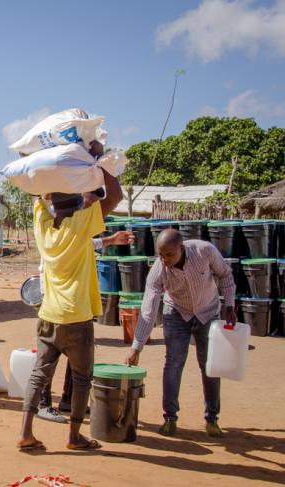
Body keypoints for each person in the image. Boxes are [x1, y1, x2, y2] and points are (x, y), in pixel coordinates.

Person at [18, 139, 122, 452]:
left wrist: (41, 162)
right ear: (77, 205)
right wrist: (99, 159)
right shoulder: (81, 226)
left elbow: (39, 193)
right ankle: (75, 436)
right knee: (81, 378)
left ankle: (25, 432)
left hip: (48, 314)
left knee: (39, 375)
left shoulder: (43, 227)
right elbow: (114, 195)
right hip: (76, 318)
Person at [125, 229, 235, 438]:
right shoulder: (158, 271)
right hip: (176, 312)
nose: (164, 259)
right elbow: (148, 311)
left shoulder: (204, 251)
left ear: (181, 248)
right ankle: (170, 417)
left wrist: (229, 305)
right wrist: (136, 346)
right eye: (160, 255)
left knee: (209, 365)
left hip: (208, 312)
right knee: (174, 363)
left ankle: (212, 418)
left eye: (169, 254)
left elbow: (226, 274)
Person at [36, 230, 136, 423]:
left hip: (75, 300)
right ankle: (43, 404)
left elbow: (84, 243)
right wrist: (111, 240)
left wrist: (110, 240)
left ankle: (68, 399)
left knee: (77, 354)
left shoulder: (72, 228)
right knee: (49, 354)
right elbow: (77, 244)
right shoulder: (56, 228)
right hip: (54, 301)